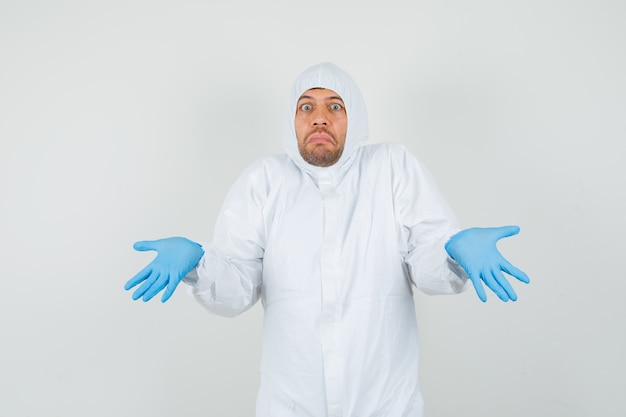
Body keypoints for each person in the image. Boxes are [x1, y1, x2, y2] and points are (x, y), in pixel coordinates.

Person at [125, 62, 530, 417]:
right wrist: (199, 263)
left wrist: (452, 251)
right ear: (292, 120)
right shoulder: (264, 182)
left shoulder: (392, 168)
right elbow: (237, 287)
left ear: (355, 117)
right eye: (307, 107)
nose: (320, 118)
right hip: (289, 405)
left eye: (335, 106)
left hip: (387, 404)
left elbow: (427, 263)